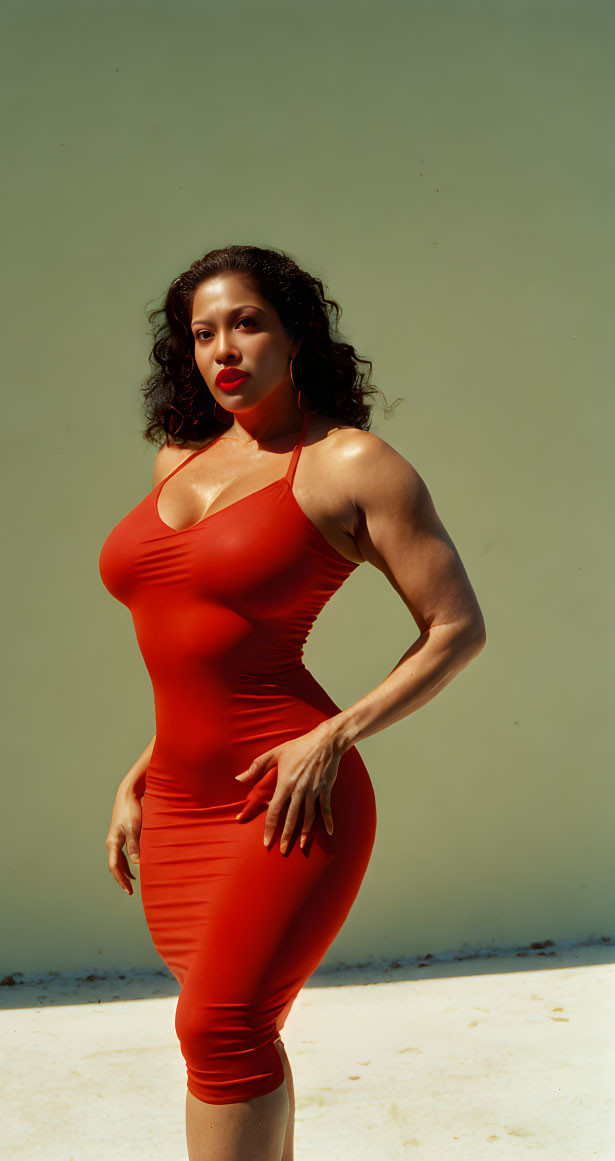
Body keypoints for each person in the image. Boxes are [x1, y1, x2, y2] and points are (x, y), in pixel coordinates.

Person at [98, 243, 486, 1161]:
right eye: (202, 333)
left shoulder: (348, 462)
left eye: (247, 323)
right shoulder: (176, 459)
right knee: (228, 1034)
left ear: (296, 334)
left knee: (218, 1027)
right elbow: (195, 643)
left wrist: (335, 732)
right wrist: (140, 773)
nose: (223, 350)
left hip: (288, 795)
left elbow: (455, 627)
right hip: (183, 799)